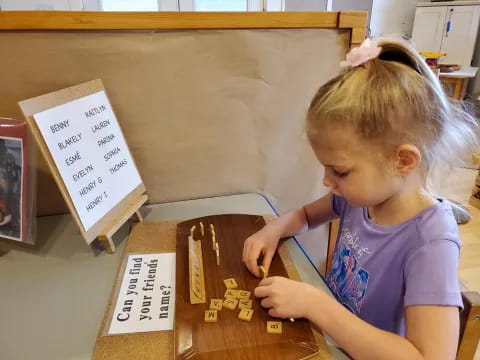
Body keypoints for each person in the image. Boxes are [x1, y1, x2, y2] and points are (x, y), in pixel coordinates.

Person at [242, 38, 479, 359]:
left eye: (339, 171)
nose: (327, 181)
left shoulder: (431, 240)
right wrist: (272, 230)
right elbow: (306, 216)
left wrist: (315, 304)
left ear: (403, 161)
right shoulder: (362, 199)